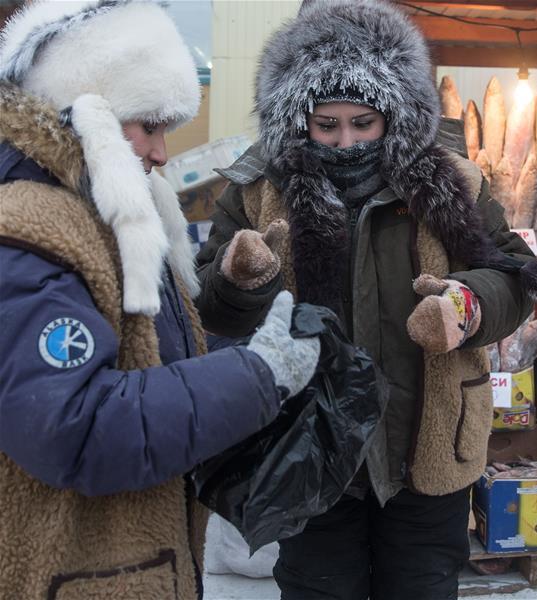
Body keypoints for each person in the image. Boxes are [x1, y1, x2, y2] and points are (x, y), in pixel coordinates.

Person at [193, 1, 537, 598]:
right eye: (327, 124)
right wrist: (239, 278)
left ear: (393, 113)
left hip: (427, 448)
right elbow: (210, 307)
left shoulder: (453, 183)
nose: (346, 141)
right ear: (298, 118)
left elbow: (513, 276)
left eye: (363, 123)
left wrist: (464, 308)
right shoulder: (259, 192)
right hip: (307, 448)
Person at [0, 2, 320, 598]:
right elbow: (75, 425)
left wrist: (250, 329)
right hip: (76, 575)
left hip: (130, 566)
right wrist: (256, 376)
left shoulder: (111, 219)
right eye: (148, 125)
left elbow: (157, 364)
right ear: (84, 111)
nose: (162, 154)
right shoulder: (29, 232)